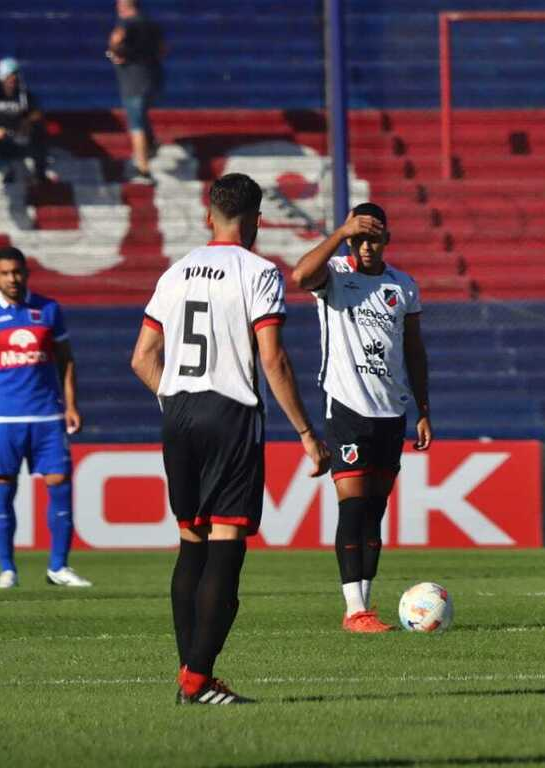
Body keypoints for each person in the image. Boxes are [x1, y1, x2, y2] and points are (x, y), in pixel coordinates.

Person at [131, 172, 330, 705]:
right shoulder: (258, 271)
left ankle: (191, 675)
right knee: (226, 548)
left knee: (190, 542)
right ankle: (197, 680)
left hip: (178, 410)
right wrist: (307, 433)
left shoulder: (174, 272)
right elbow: (272, 358)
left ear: (208, 216)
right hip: (230, 413)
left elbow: (142, 358)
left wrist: (176, 401)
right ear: (257, 221)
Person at [292, 203, 433, 633]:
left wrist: (424, 410)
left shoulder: (403, 286)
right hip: (347, 407)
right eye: (358, 239)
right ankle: (353, 609)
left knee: (374, 512)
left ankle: (365, 608)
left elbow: (414, 350)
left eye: (373, 238)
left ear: (386, 239)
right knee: (352, 508)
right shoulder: (334, 274)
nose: (365, 246)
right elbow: (299, 276)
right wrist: (339, 232)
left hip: (391, 412)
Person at [0, 246, 90, 589]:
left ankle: (58, 566)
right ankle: (7, 569)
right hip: (3, 417)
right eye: (5, 273)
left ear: (26, 273)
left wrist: (71, 405)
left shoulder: (48, 309)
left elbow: (66, 360)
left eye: (17, 272)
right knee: (4, 487)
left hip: (47, 415)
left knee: (59, 483)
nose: (12, 278)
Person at [107, 0, 164, 185]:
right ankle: (151, 144)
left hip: (132, 81)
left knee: (135, 124)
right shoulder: (151, 24)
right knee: (141, 115)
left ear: (122, 6)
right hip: (151, 79)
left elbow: (116, 42)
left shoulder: (125, 25)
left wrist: (114, 53)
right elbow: (163, 49)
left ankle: (143, 169)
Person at [0, 57, 50, 184]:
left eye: (15, 76)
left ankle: (40, 172)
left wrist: (26, 123)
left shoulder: (23, 94)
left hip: (18, 138)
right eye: (9, 76)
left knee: (39, 132)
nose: (13, 79)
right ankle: (4, 168)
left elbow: (37, 113)